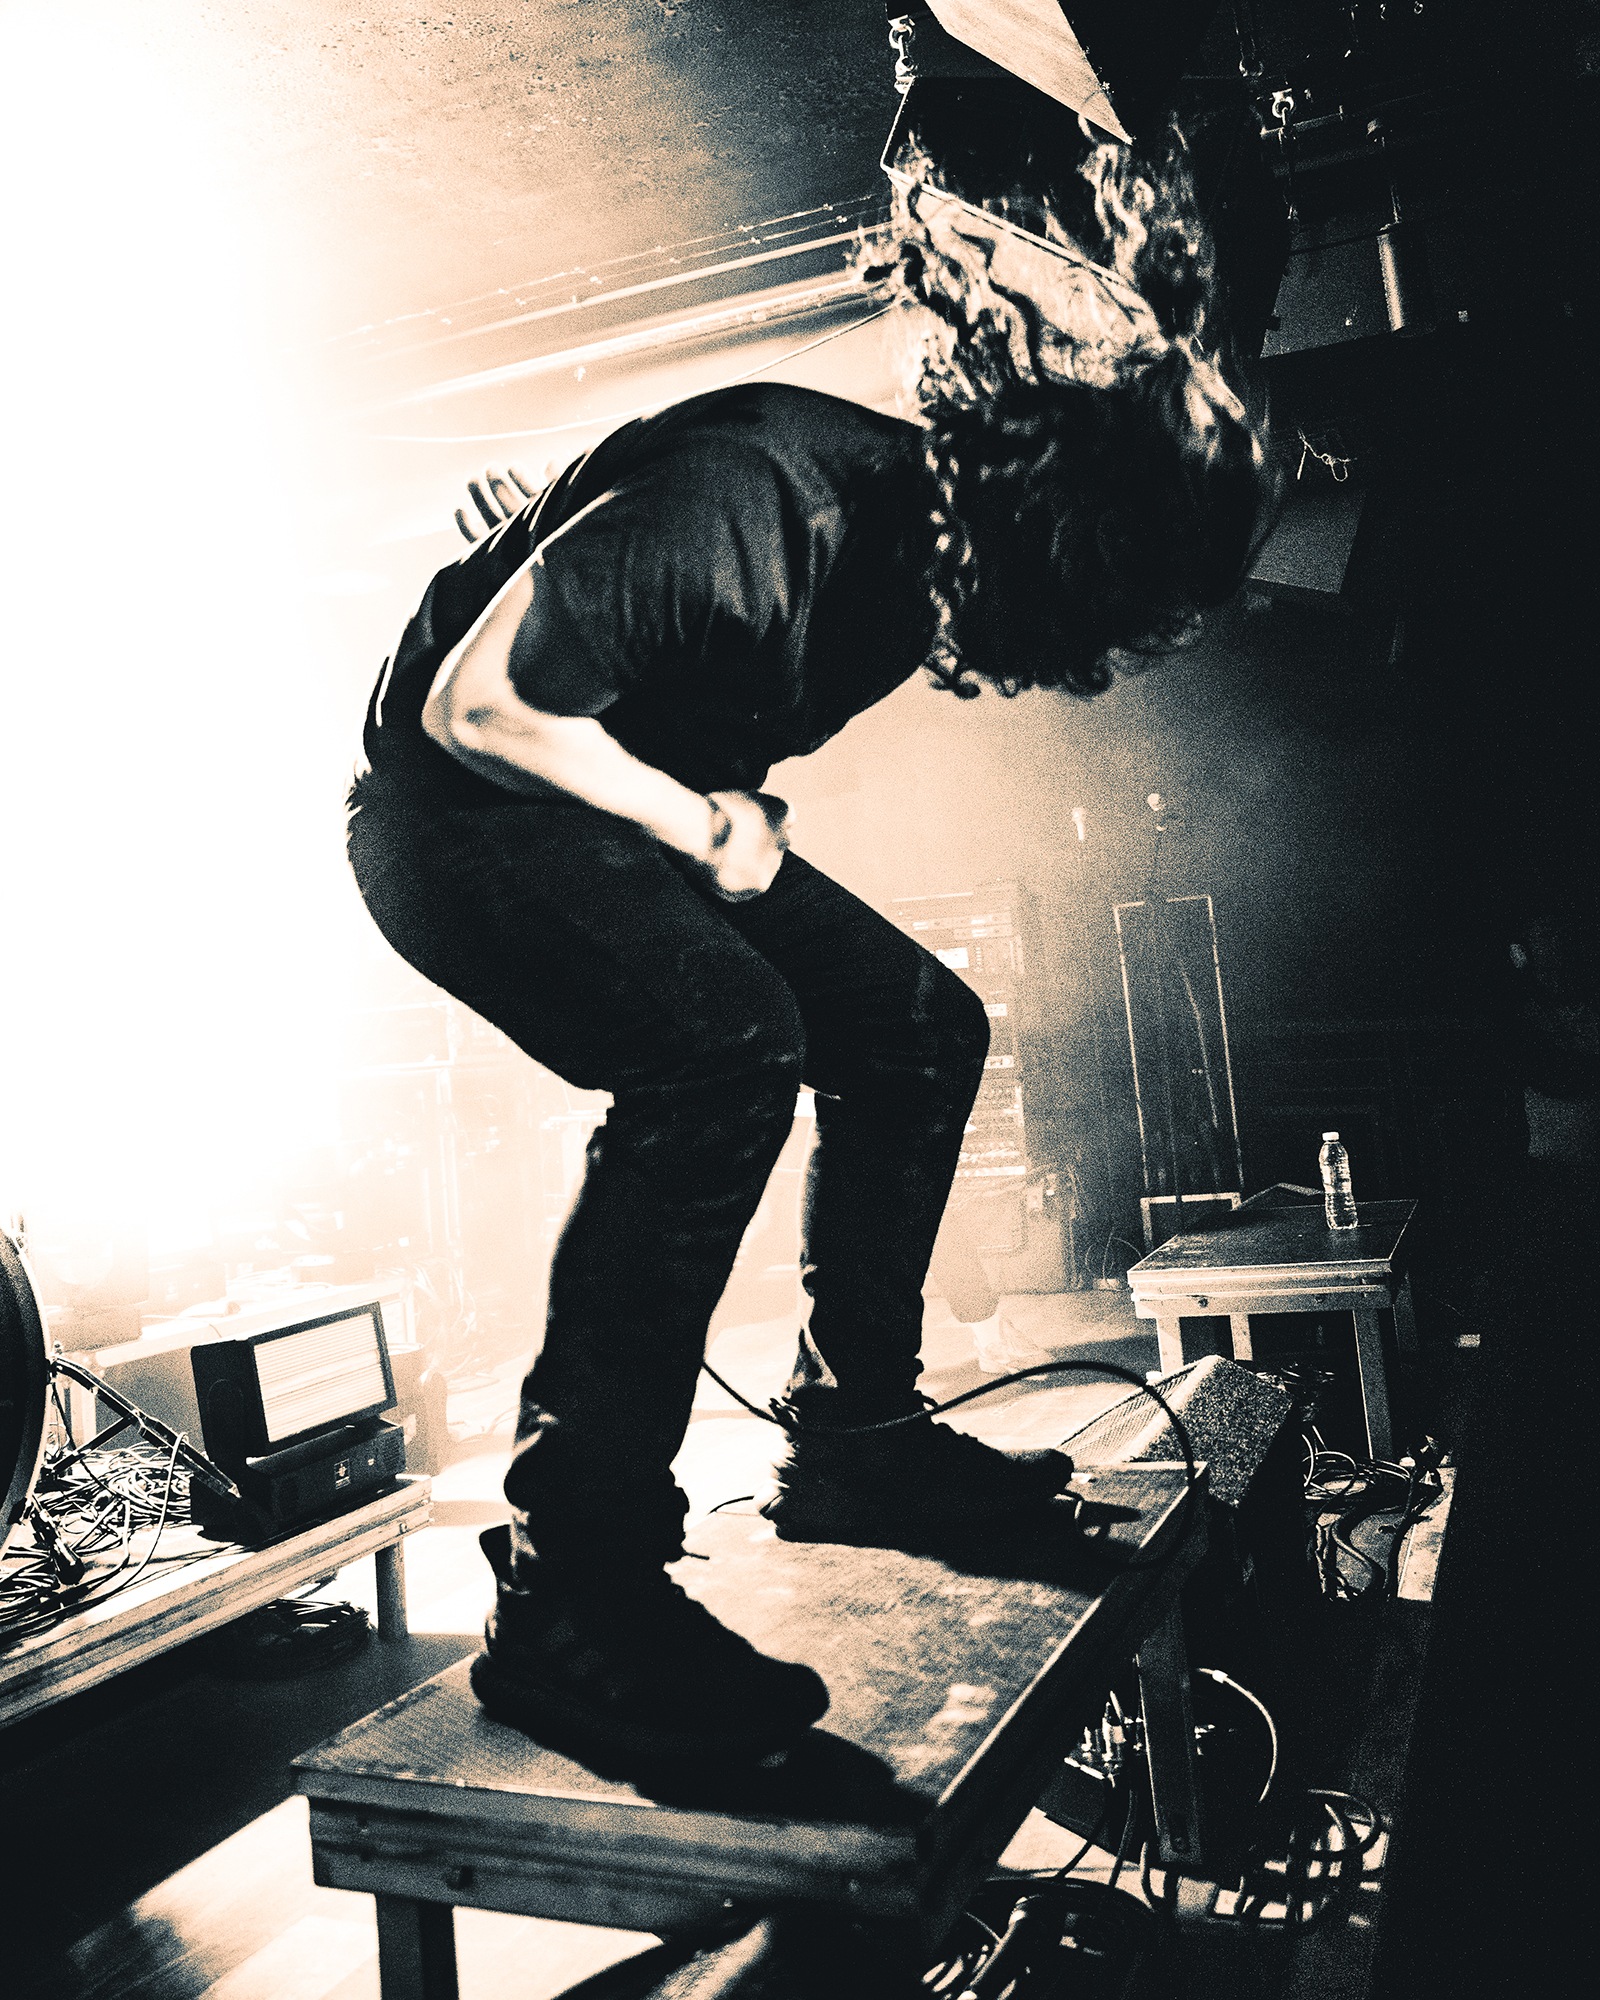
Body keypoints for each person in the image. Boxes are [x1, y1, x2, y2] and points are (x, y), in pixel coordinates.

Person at [345, 125, 1276, 1769]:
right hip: (455, 819)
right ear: (1050, 522)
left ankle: (857, 1442)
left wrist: (703, 800)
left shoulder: (917, 566)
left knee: (920, 1024)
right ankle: (574, 1586)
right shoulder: (767, 496)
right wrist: (700, 822)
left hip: (612, 805)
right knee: (726, 1043)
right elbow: (476, 710)